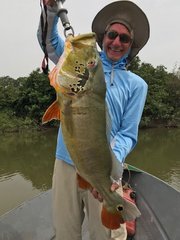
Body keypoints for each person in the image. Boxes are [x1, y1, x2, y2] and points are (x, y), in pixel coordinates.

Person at [37, 1, 150, 239]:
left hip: (104, 171)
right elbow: (48, 42)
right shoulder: (78, 63)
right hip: (65, 164)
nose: (117, 42)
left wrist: (109, 167)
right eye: (112, 35)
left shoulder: (137, 85)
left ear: (131, 46)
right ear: (103, 37)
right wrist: (50, 10)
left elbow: (128, 134)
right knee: (65, 232)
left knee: (106, 235)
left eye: (124, 39)